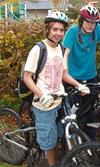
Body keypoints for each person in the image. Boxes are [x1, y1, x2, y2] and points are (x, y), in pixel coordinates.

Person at [23, 11, 90, 167]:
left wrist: (78, 85)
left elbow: (63, 74)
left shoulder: (61, 48)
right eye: (55, 29)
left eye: (61, 30)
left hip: (60, 101)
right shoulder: (39, 49)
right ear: (48, 29)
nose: (58, 33)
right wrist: (41, 95)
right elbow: (27, 77)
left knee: (62, 133)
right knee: (49, 141)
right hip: (43, 105)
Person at [62, 5, 100, 139]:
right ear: (81, 20)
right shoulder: (72, 32)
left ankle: (89, 145)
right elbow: (65, 53)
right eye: (88, 21)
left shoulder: (98, 29)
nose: (91, 25)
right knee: (74, 114)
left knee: (91, 113)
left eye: (94, 22)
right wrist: (64, 71)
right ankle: (71, 145)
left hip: (91, 78)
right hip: (73, 79)